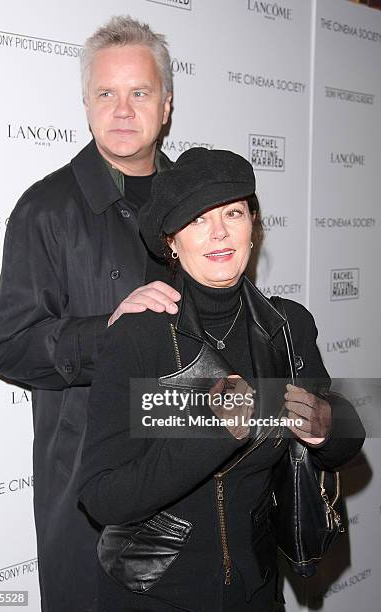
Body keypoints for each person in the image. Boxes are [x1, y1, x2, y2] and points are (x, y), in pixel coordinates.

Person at [79, 147, 365, 612]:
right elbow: (103, 496)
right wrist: (213, 432)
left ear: (253, 226)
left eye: (233, 212)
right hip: (153, 595)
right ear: (172, 240)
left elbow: (344, 441)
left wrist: (326, 425)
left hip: (256, 591)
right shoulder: (140, 336)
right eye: (196, 220)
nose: (219, 232)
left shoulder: (286, 325)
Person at [0, 16, 181, 612]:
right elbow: (7, 346)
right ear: (87, 105)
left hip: (188, 476)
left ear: (166, 105)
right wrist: (111, 335)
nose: (122, 109)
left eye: (139, 92)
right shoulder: (47, 208)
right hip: (91, 494)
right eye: (106, 94)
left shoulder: (200, 206)